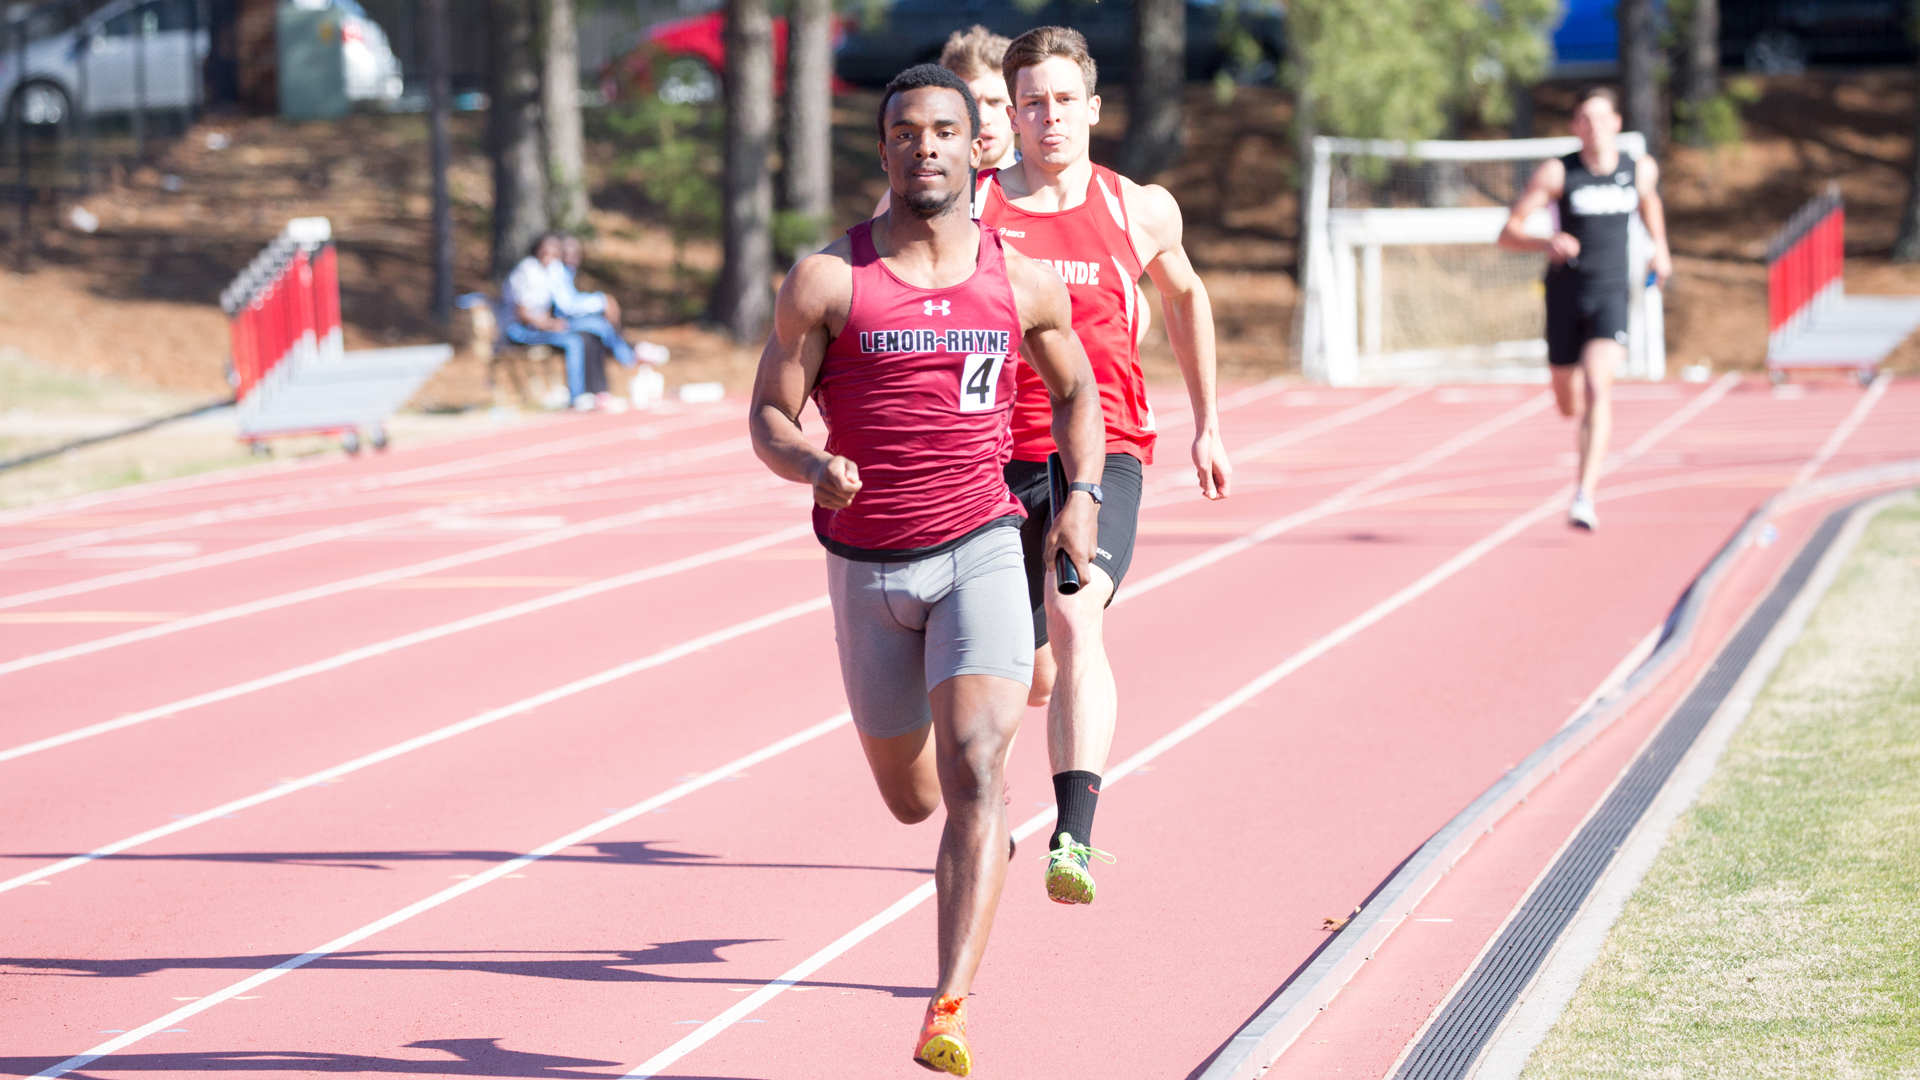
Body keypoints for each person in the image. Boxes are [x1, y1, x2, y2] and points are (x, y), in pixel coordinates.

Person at [747, 64, 1104, 1076]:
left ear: (974, 146)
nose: (928, 147)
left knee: (979, 771)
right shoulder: (829, 280)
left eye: (946, 130)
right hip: (867, 571)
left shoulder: (1018, 280)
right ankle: (970, 845)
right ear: (885, 149)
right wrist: (810, 461)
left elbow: (1078, 393)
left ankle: (946, 1009)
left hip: (983, 547)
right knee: (913, 800)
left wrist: (1079, 498)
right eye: (907, 132)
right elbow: (767, 414)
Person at [976, 25, 1232, 905]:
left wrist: (1207, 425)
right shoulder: (972, 211)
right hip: (996, 458)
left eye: (1064, 103)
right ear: (1012, 114)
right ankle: (990, 803)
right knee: (1026, 667)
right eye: (1033, 104)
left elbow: (1187, 294)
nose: (1050, 120)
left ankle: (1072, 841)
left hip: (1106, 450)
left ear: (1094, 108)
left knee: (1079, 613)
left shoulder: (1139, 207)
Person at [1499, 85, 1671, 530]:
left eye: (1600, 118)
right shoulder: (1559, 174)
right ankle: (1578, 415)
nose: (1593, 127)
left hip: (1611, 294)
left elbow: (1650, 202)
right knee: (1567, 401)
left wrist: (1661, 249)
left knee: (1599, 386)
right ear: (1575, 127)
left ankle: (1584, 496)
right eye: (1584, 120)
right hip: (1564, 295)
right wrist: (1545, 241)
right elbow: (1508, 232)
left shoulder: (1639, 169)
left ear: (1616, 123)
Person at [501, 234, 606, 409]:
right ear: (538, 250)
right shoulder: (526, 270)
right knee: (573, 342)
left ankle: (594, 389)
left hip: (540, 327)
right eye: (546, 249)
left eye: (555, 250)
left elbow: (565, 303)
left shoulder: (550, 271)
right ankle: (576, 395)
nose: (550, 253)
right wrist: (549, 324)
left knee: (591, 330)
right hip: (519, 330)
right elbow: (522, 313)